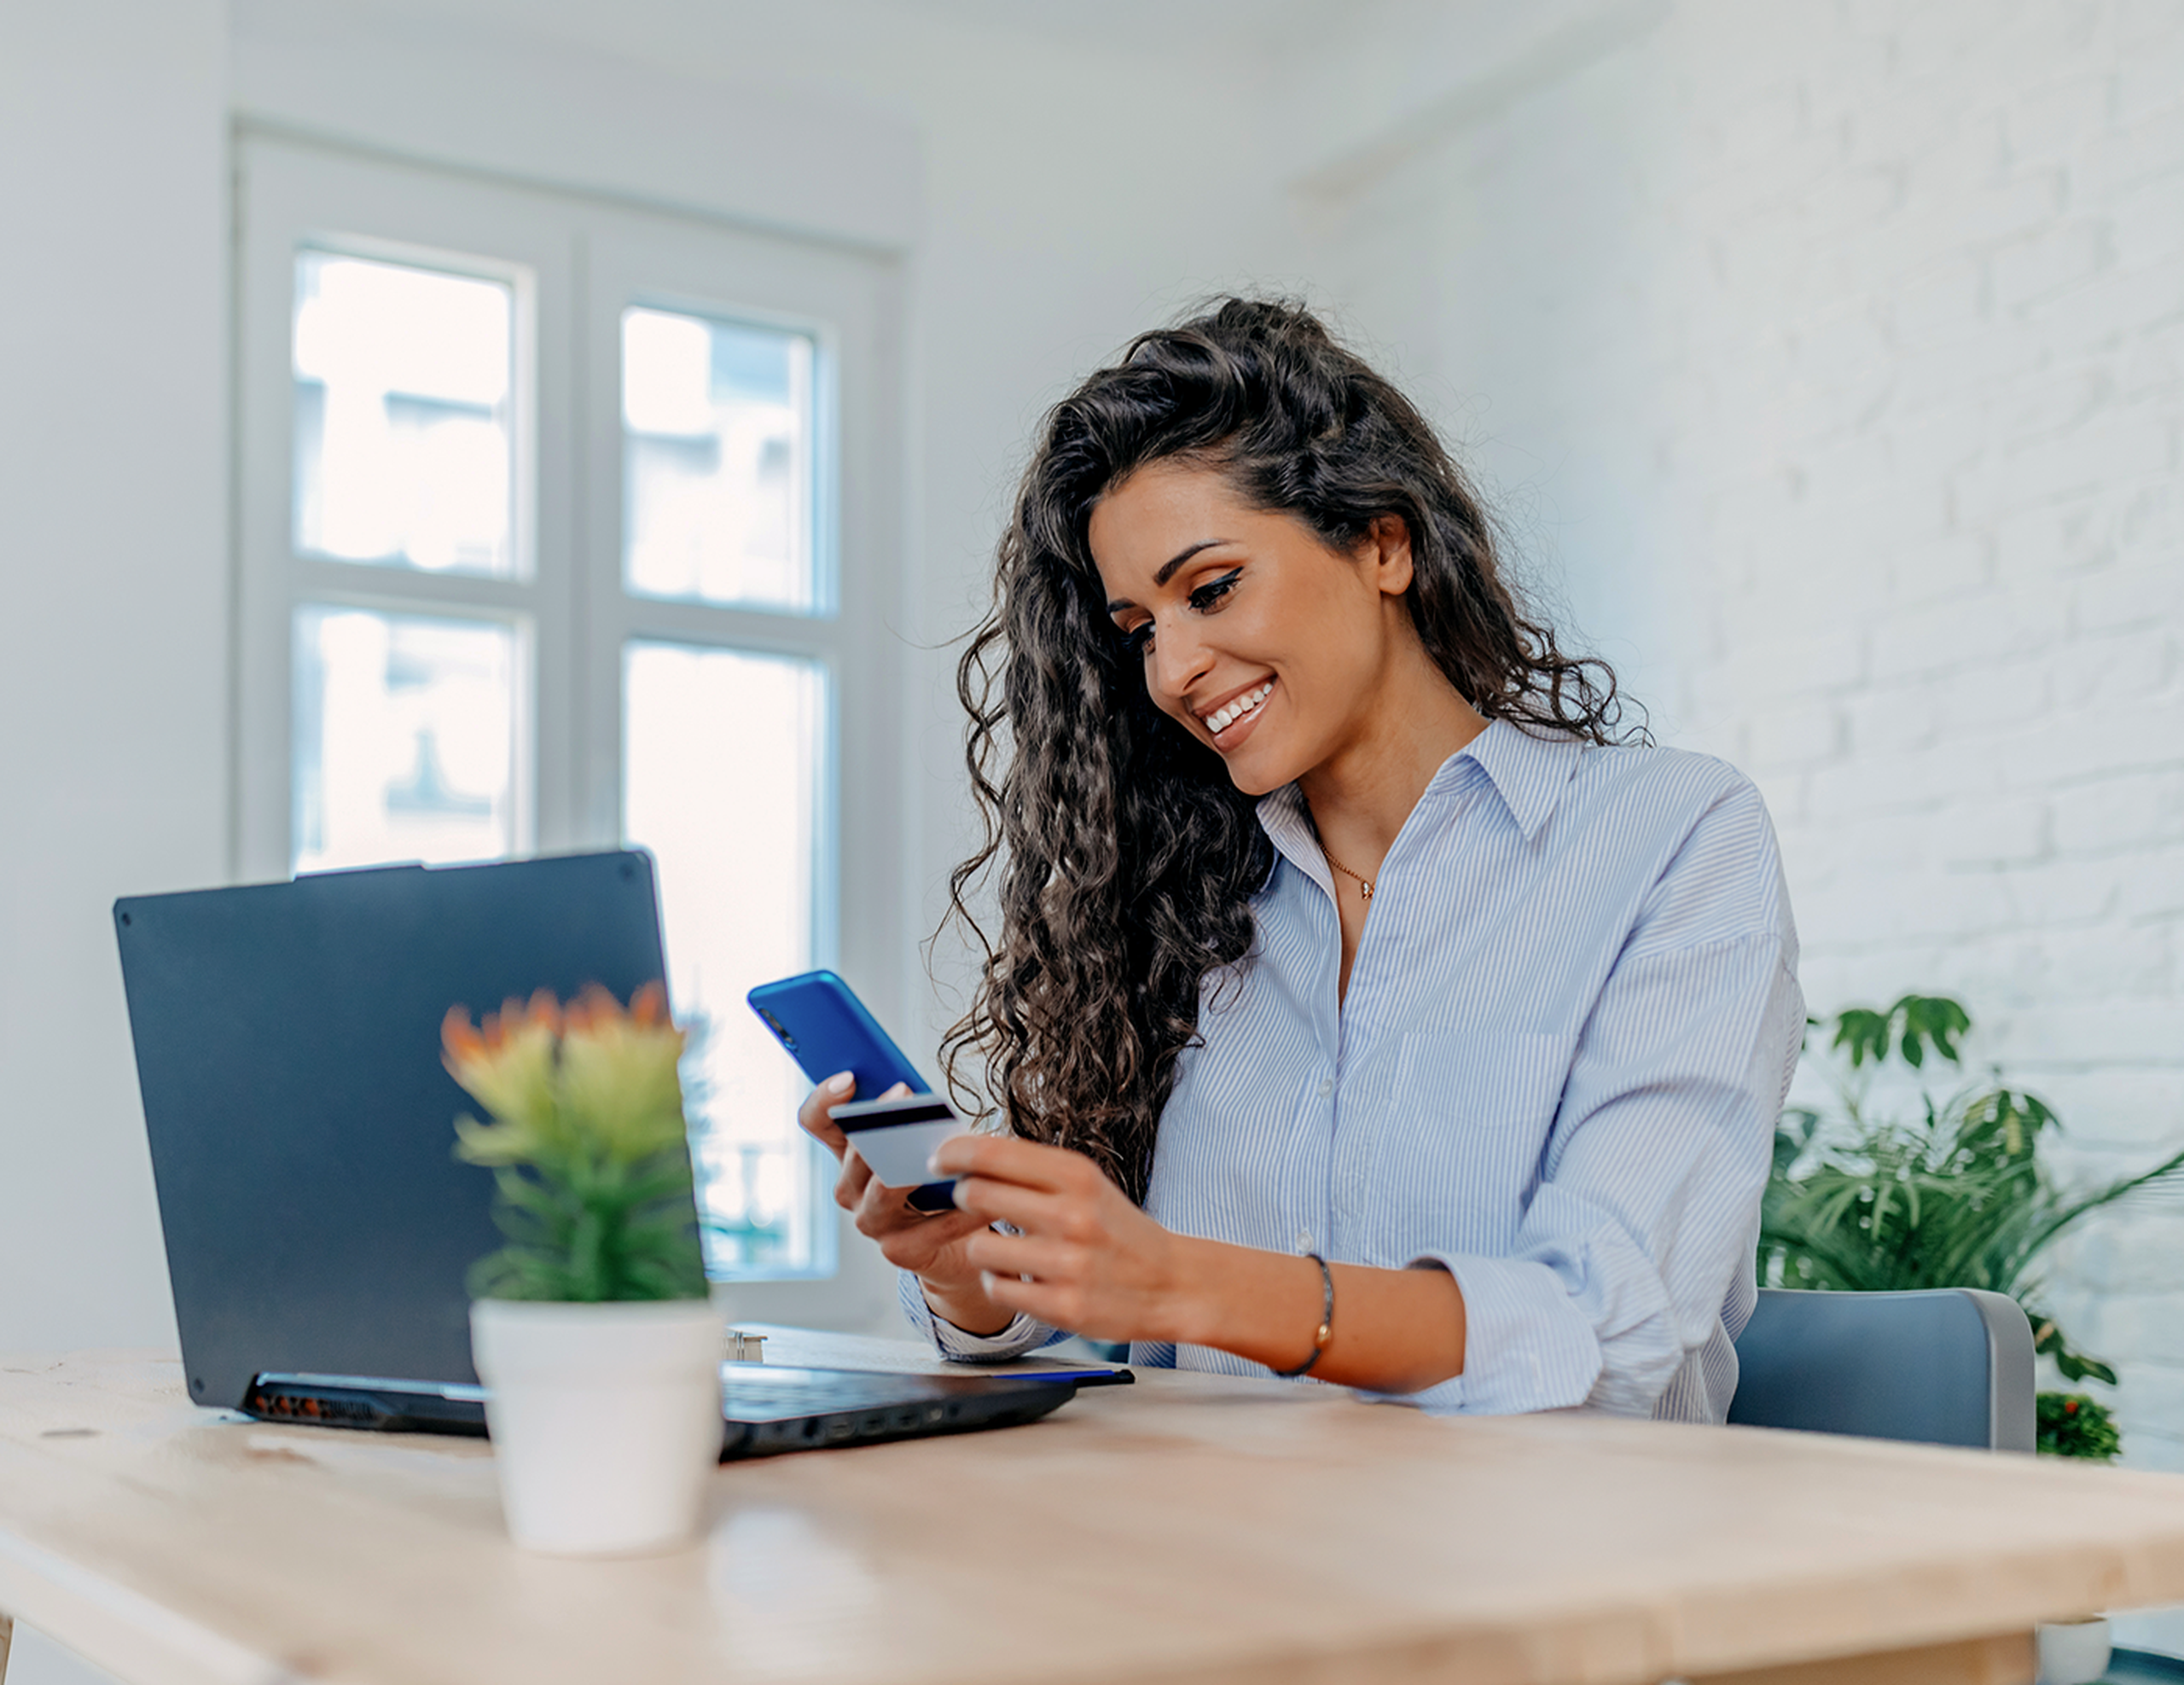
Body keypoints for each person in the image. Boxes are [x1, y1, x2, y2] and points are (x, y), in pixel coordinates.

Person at [797, 299, 1803, 1420]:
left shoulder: (1672, 840)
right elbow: (1116, 1362)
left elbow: (1600, 1324)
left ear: (1383, 539)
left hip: (1548, 1565)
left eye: (1212, 587)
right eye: (1138, 630)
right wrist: (972, 1279)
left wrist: (1185, 1282)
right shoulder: (1187, 908)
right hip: (1220, 1561)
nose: (1173, 669)